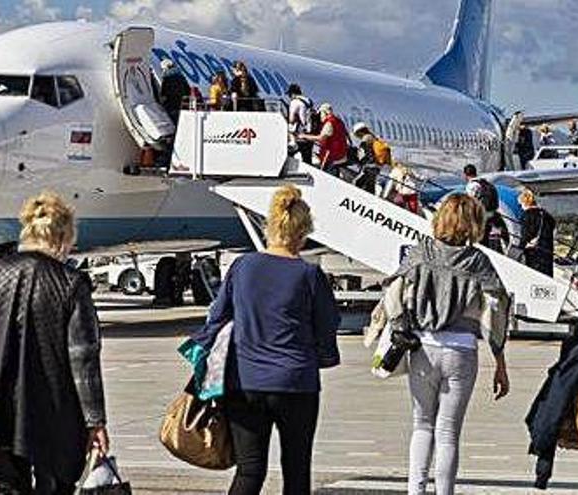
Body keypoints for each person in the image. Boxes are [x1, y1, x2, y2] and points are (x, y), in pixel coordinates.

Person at [192, 185, 341, 495]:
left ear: (270, 227)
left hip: (245, 382)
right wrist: (323, 356)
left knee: (249, 471)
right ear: (304, 233)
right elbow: (327, 325)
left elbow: (217, 317)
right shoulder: (309, 275)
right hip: (295, 382)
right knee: (296, 471)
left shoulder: (242, 267)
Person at [377, 194, 510, 495]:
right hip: (462, 349)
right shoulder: (478, 261)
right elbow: (497, 308)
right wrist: (500, 362)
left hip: (423, 346)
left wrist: (399, 329)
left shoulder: (420, 253)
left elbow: (392, 290)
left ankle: (415, 490)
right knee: (448, 433)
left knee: (422, 425)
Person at [0, 192, 108, 495]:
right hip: (55, 411)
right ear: (63, 237)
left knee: (8, 484)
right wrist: (95, 421)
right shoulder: (70, 283)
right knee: (55, 485)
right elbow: (83, 357)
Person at [300, 103, 349, 177]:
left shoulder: (329, 123)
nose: (320, 116)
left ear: (324, 112)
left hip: (331, 156)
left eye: (320, 113)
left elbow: (321, 138)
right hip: (341, 154)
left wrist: (305, 136)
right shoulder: (339, 121)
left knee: (328, 177)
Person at [518, 189, 556, 276]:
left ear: (525, 203)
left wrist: (521, 246)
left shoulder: (528, 215)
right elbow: (552, 225)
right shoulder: (546, 215)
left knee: (533, 275)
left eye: (521, 205)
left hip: (534, 253)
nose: (521, 207)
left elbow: (526, 234)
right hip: (547, 251)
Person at [352, 122, 392, 194]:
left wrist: (359, 160)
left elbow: (363, 152)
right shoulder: (374, 137)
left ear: (360, 131)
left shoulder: (366, 138)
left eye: (357, 134)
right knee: (370, 186)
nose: (357, 136)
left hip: (369, 167)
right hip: (376, 167)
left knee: (357, 183)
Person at [287, 84, 315, 165]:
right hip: (309, 133)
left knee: (288, 154)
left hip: (298, 134)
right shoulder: (308, 101)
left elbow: (291, 119)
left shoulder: (295, 102)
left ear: (292, 93)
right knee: (307, 159)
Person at [159, 59, 192, 125]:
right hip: (182, 99)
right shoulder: (180, 75)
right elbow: (187, 88)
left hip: (172, 100)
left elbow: (164, 89)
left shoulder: (166, 76)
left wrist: (162, 97)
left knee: (174, 116)